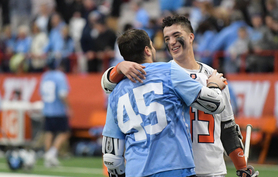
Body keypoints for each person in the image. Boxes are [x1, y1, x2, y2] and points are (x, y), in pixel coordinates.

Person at [102, 15, 259, 177]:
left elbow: (227, 128)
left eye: (177, 36)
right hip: (179, 166)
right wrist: (120, 66)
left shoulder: (212, 76)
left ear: (191, 37)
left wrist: (242, 167)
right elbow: (109, 83)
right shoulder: (161, 74)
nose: (171, 42)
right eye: (166, 38)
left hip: (210, 167)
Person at [39, 59, 71, 167]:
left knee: (49, 133)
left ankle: (48, 158)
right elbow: (62, 94)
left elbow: (41, 93)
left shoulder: (45, 76)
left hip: (47, 109)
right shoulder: (59, 76)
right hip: (58, 109)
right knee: (64, 132)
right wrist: (69, 107)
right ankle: (51, 154)